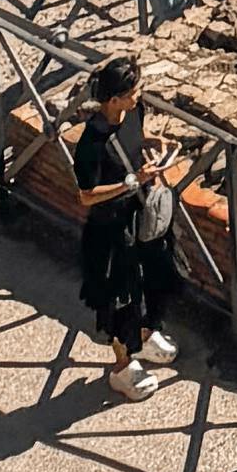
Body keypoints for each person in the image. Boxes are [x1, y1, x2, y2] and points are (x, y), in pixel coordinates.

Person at [67, 55, 173, 395]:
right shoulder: (91, 142)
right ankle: (122, 366)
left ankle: (145, 333)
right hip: (110, 230)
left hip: (140, 215)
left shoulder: (134, 111)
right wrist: (132, 181)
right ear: (114, 99)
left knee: (154, 276)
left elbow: (135, 139)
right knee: (120, 298)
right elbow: (86, 195)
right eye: (133, 92)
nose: (139, 95)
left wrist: (154, 143)